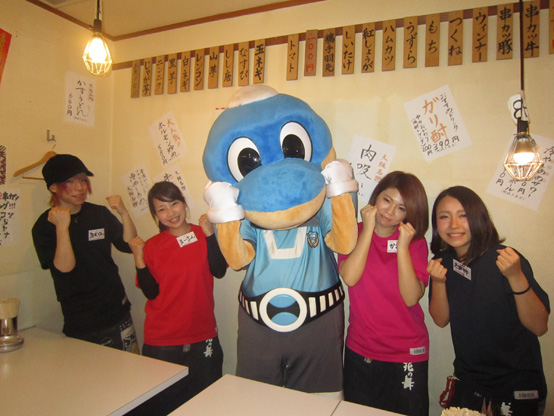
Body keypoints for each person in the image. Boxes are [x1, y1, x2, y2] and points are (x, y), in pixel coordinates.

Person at [428, 186, 549, 416]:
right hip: (469, 383)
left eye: (463, 215)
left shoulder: (506, 259)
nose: (454, 224)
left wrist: (516, 276)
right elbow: (440, 320)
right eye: (444, 217)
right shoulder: (442, 262)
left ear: (478, 217)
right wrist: (439, 282)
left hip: (517, 385)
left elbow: (539, 326)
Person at [337, 171, 430, 416]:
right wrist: (368, 229)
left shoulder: (415, 242)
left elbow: (411, 297)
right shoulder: (353, 232)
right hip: (361, 349)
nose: (390, 211)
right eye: (386, 200)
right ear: (376, 197)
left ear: (409, 213)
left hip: (407, 351)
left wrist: (402, 247)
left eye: (401, 208)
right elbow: (350, 277)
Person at [129, 181, 227, 411]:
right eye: (162, 209)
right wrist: (139, 260)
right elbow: (151, 293)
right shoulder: (152, 246)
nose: (171, 213)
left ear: (184, 203)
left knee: (206, 405)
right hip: (163, 342)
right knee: (163, 407)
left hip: (202, 335)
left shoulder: (203, 234)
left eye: (174, 204)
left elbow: (219, 271)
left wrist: (210, 235)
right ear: (155, 215)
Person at [32, 154, 139, 352]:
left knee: (129, 367)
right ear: (53, 187)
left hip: (117, 310)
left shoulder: (98, 213)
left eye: (83, 180)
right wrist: (62, 227)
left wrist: (124, 213)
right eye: (70, 182)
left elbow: (129, 245)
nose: (80, 187)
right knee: (89, 370)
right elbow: (65, 269)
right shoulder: (44, 227)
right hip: (82, 321)